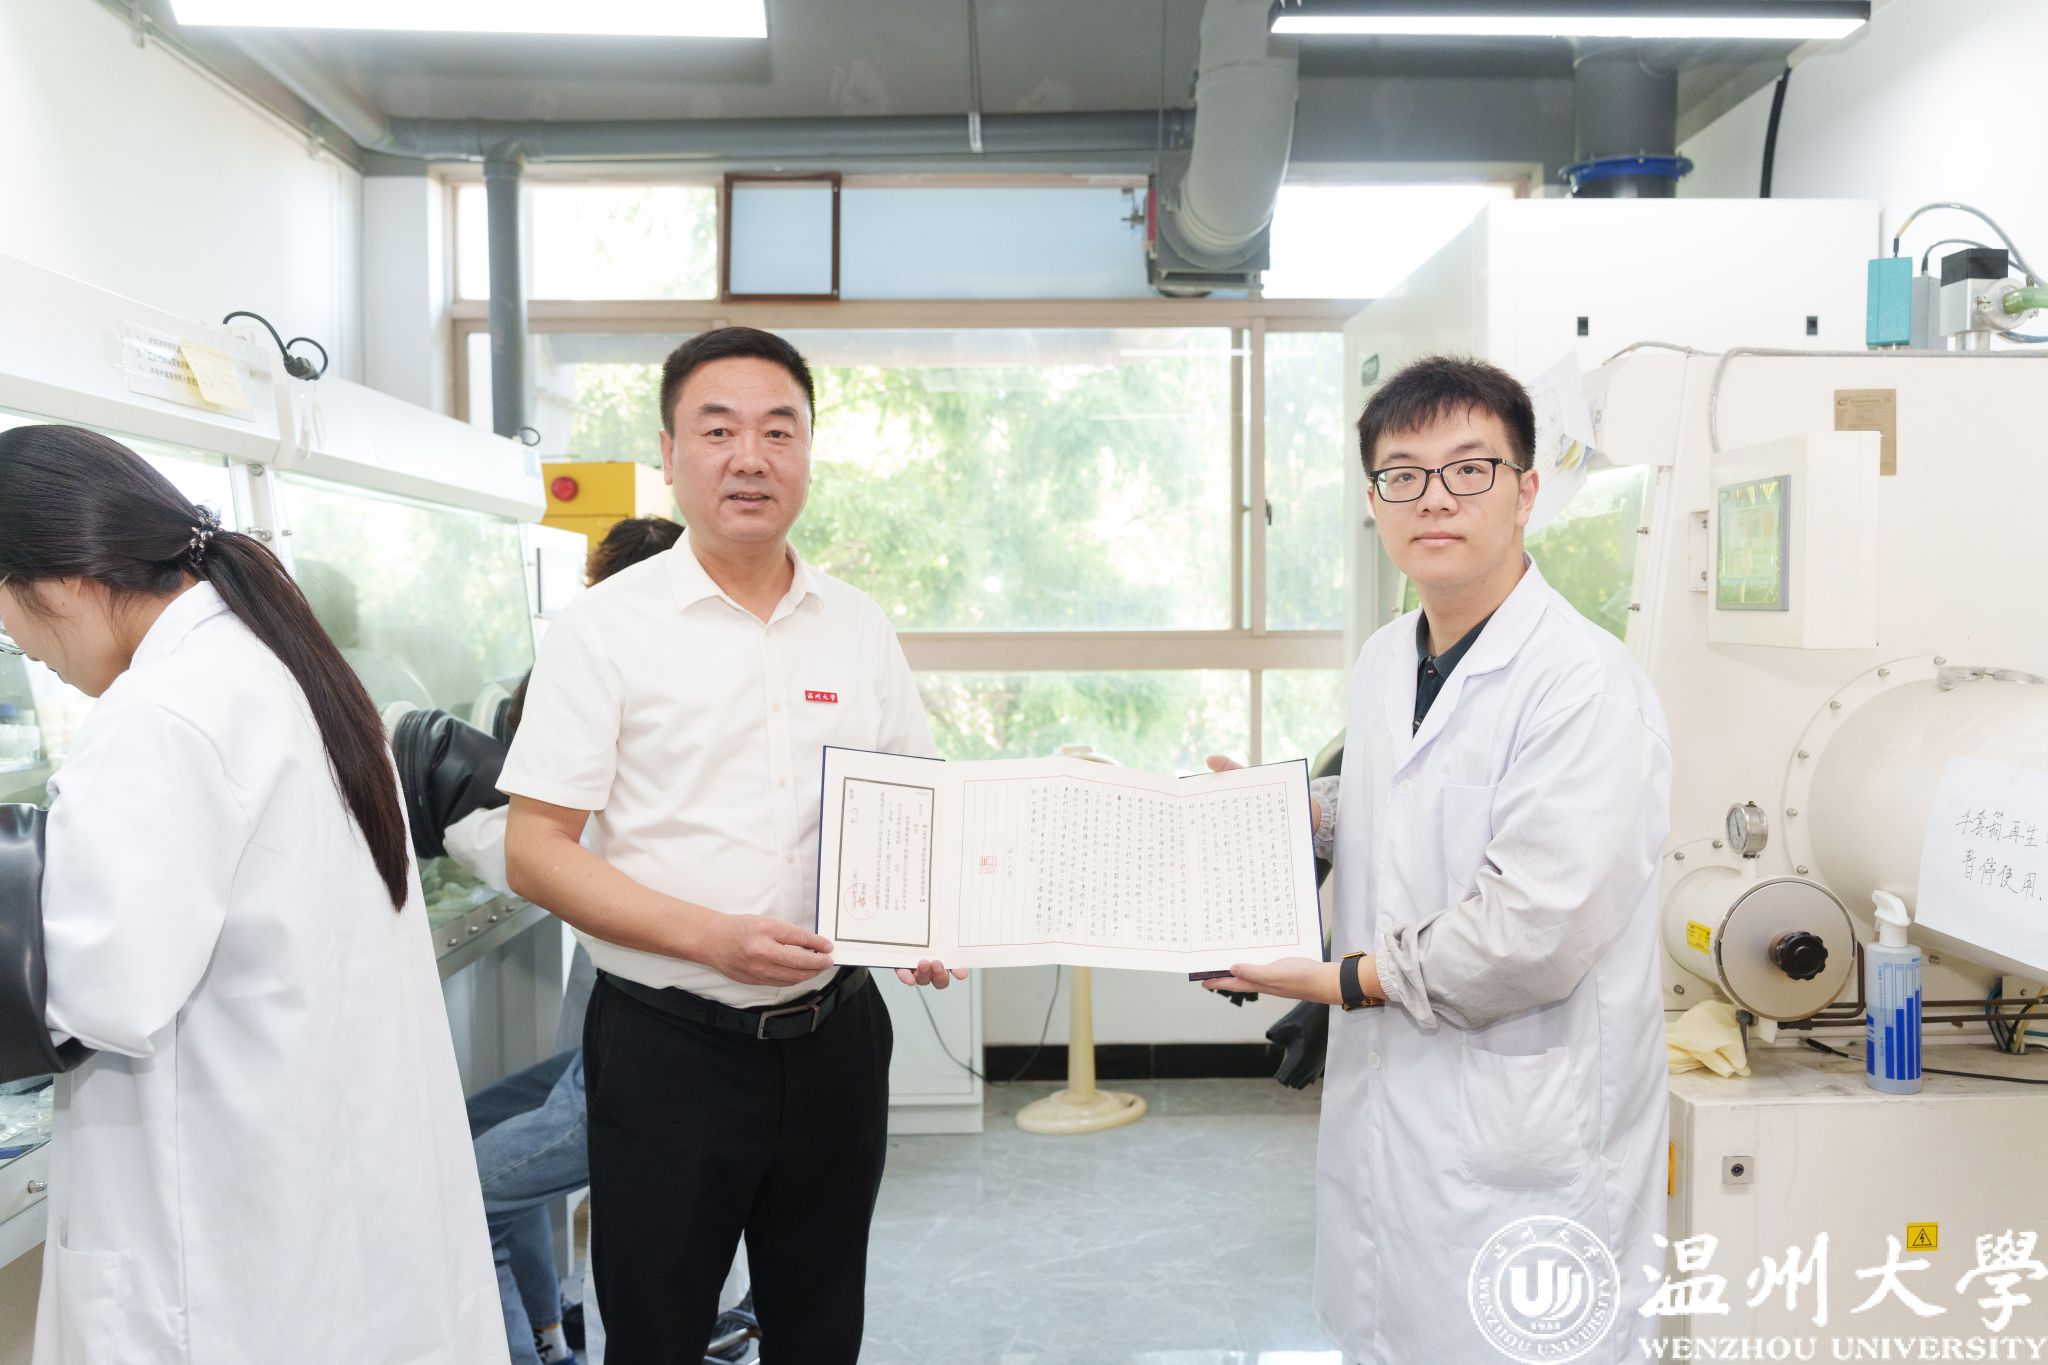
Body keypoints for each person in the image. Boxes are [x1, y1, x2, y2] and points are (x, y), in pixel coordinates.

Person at [500, 326, 962, 1364]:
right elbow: (536, 849)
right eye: (718, 431)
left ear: (808, 452)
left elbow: (915, 806)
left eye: (777, 430)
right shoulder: (602, 629)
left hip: (838, 1039)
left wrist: (926, 919)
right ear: (669, 455)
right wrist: (709, 938)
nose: (749, 457)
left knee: (820, 1330)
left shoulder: (856, 625)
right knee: (656, 1334)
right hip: (670, 1048)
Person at [1202, 356, 1671, 1363]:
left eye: (1469, 468)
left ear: (1525, 491)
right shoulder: (1387, 657)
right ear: (1373, 500)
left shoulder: (1582, 684)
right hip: (1394, 1122)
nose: (1435, 498)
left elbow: (1531, 934)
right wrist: (1285, 815)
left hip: (1524, 1145)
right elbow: (1400, 812)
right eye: (1402, 474)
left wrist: (1339, 981)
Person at [0, 425, 503, 1363]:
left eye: (10, 626)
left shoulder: (164, 713)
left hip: (230, 1263)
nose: (26, 650)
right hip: (315, 1216)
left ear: (61, 582)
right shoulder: (281, 667)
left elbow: (90, 983)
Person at [396, 515, 752, 1365]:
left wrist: (463, 822)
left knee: (468, 1188)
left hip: (665, 1036)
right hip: (622, 1028)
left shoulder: (669, 709)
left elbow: (560, 859)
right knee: (476, 1136)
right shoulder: (629, 681)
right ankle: (552, 1335)